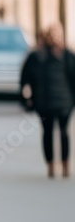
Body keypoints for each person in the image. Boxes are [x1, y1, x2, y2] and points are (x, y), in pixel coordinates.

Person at [20, 23, 75, 177]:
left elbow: (24, 80)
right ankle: (64, 166)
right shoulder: (68, 56)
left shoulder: (36, 56)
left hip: (45, 103)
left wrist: (27, 99)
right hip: (64, 103)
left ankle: (52, 166)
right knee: (63, 133)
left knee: (48, 133)